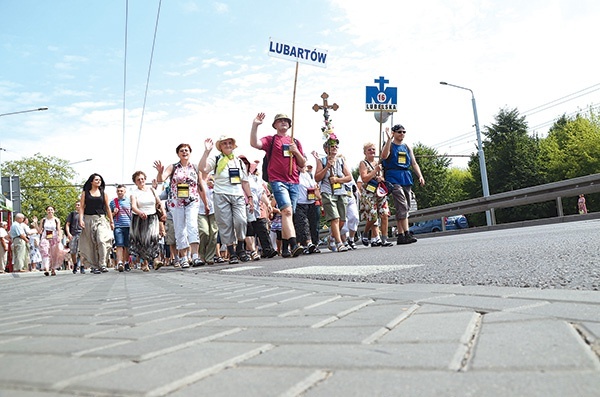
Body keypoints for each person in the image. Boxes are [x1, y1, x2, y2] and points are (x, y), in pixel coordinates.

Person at [250, 113, 306, 257]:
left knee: (289, 214)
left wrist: (296, 152)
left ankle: (286, 247)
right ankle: (294, 245)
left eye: (286, 121)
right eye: (280, 121)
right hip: (278, 180)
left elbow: (302, 163)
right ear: (275, 125)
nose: (283, 123)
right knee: (287, 212)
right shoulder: (271, 139)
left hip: (293, 181)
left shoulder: (295, 141)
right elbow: (254, 143)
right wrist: (255, 125)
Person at [199, 135, 254, 264]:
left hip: (238, 195)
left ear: (233, 145)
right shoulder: (217, 159)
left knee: (241, 221)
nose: (228, 145)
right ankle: (232, 253)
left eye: (230, 143)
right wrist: (206, 152)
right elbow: (203, 168)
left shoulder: (239, 162)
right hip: (220, 194)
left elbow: (245, 182)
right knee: (225, 224)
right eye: (224, 143)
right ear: (221, 147)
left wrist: (250, 197)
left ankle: (240, 248)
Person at [154, 143, 208, 268]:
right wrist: (159, 172)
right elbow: (161, 179)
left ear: (190, 152)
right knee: (180, 229)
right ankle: (183, 257)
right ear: (178, 153)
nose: (184, 152)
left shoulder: (195, 167)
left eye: (187, 150)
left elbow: (200, 186)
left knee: (192, 226)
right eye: (182, 151)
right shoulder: (173, 167)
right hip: (176, 203)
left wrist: (206, 203)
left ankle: (195, 256)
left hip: (192, 201)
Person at [381, 124, 425, 245]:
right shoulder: (389, 144)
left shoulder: (406, 147)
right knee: (402, 204)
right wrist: (388, 139)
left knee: (405, 207)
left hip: (406, 177)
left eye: (404, 132)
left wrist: (420, 175)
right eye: (399, 132)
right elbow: (384, 156)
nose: (402, 134)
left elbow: (414, 163)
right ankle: (407, 233)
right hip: (393, 177)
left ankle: (400, 235)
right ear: (394, 133)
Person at [314, 136, 353, 252]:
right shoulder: (322, 161)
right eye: (332, 146)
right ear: (326, 149)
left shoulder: (341, 161)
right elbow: (317, 178)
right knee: (334, 218)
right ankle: (339, 243)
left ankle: (331, 236)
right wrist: (327, 168)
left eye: (336, 146)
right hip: (327, 192)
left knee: (342, 220)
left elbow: (349, 177)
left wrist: (338, 180)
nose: (334, 148)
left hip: (341, 192)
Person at [78, 173, 115, 274]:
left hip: (101, 219)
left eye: (100, 180)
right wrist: (80, 219)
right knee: (91, 243)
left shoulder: (103, 193)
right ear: (91, 182)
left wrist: (111, 221)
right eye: (96, 180)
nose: (98, 181)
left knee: (101, 240)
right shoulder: (85, 193)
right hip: (88, 219)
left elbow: (107, 208)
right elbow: (81, 207)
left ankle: (102, 263)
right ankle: (94, 266)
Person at [359, 141, 394, 247]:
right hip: (369, 192)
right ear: (365, 152)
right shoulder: (363, 163)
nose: (372, 151)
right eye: (369, 149)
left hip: (379, 192)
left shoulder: (378, 163)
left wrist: (380, 178)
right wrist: (375, 171)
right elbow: (364, 178)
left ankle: (384, 239)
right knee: (373, 217)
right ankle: (365, 233)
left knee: (384, 214)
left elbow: (382, 177)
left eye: (373, 149)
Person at [129, 171, 166, 271]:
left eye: (142, 179)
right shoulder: (134, 193)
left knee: (153, 238)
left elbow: (159, 202)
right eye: (138, 180)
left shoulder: (151, 190)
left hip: (152, 217)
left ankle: (155, 261)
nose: (141, 181)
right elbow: (133, 206)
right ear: (135, 182)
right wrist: (140, 212)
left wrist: (164, 213)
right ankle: (144, 263)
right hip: (139, 219)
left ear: (145, 179)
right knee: (142, 242)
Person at [294, 163, 321, 254]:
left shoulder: (309, 175)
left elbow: (315, 188)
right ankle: (306, 244)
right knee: (303, 223)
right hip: (299, 203)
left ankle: (314, 244)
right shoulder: (294, 174)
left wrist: (321, 199)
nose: (303, 166)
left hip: (311, 202)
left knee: (313, 224)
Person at [110, 184, 132, 272]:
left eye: (121, 191)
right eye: (118, 191)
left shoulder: (129, 201)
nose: (120, 193)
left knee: (127, 245)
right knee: (119, 244)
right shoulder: (113, 202)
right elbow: (110, 215)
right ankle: (119, 262)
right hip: (118, 226)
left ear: (125, 191)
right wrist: (114, 213)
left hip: (128, 225)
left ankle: (126, 262)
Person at [34, 205, 62, 276]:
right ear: (46, 211)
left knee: (53, 254)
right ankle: (46, 269)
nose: (50, 211)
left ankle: (53, 269)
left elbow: (58, 229)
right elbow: (39, 231)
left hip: (54, 238)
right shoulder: (43, 220)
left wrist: (60, 237)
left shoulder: (56, 220)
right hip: (45, 237)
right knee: (45, 252)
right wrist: (35, 223)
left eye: (51, 210)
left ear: (54, 211)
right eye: (48, 210)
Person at [197, 173, 218, 264]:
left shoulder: (214, 178)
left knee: (213, 233)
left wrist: (215, 185)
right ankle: (201, 254)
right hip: (200, 210)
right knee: (204, 232)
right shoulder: (197, 180)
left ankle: (210, 256)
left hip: (214, 209)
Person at [65, 201, 84, 274]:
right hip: (73, 234)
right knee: (73, 251)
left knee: (82, 251)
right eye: (77, 205)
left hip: (82, 234)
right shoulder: (72, 214)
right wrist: (68, 233)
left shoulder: (84, 214)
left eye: (79, 205)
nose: (78, 206)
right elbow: (67, 224)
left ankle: (82, 266)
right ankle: (75, 264)